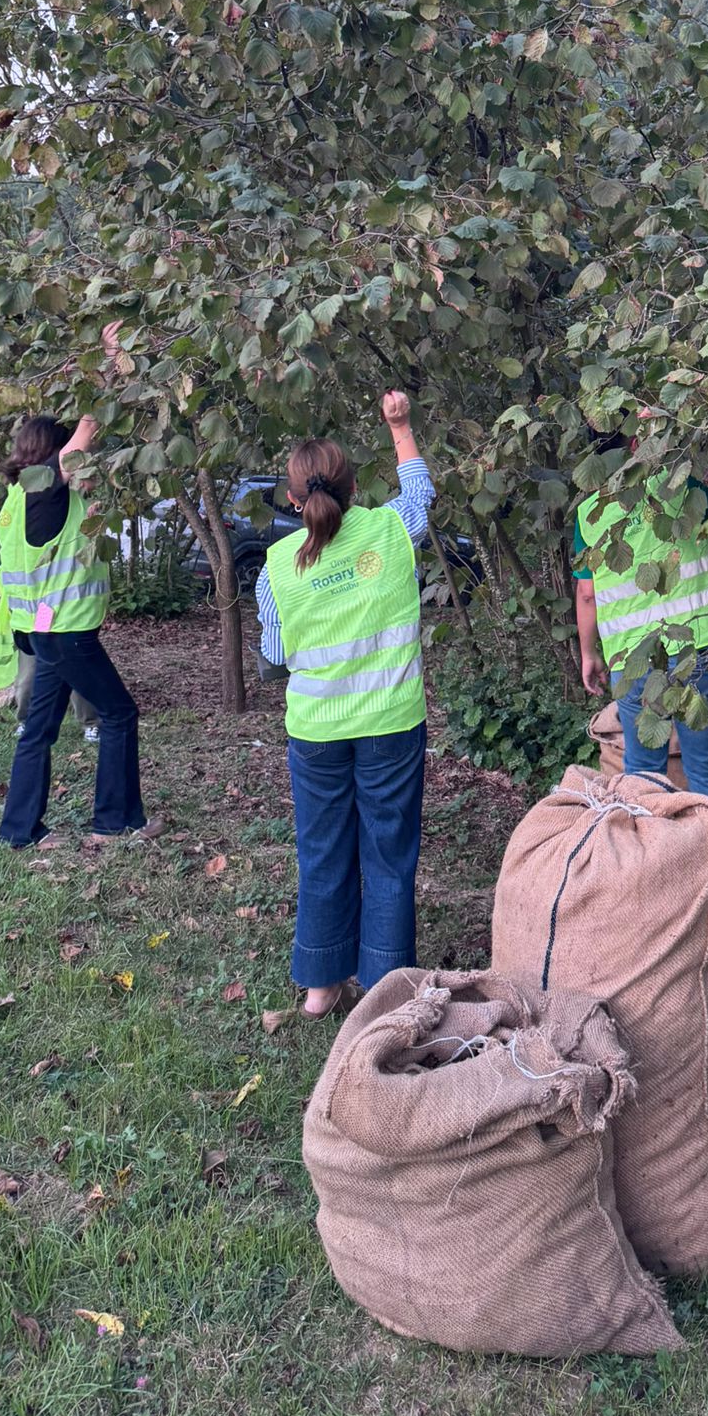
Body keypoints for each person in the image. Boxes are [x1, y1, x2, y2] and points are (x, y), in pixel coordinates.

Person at [256, 391, 435, 1018]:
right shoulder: (390, 531)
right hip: (391, 724)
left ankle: (320, 986)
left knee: (323, 850)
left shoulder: (276, 565)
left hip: (317, 733)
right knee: (388, 851)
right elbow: (420, 497)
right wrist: (401, 426)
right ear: (354, 486)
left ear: (295, 499)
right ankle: (385, 993)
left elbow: (276, 652)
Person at [0, 324, 162, 851]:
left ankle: (20, 831)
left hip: (41, 631)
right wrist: (112, 360)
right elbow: (91, 424)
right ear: (52, 453)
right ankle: (114, 823)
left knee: (38, 730)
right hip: (65, 632)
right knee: (119, 714)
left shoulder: (18, 498)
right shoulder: (47, 484)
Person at [573, 424, 708, 808]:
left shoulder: (588, 513)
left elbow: (586, 593)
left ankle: (652, 867)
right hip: (700, 649)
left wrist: (589, 654)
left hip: (630, 662)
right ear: (637, 444)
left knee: (642, 775)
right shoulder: (689, 483)